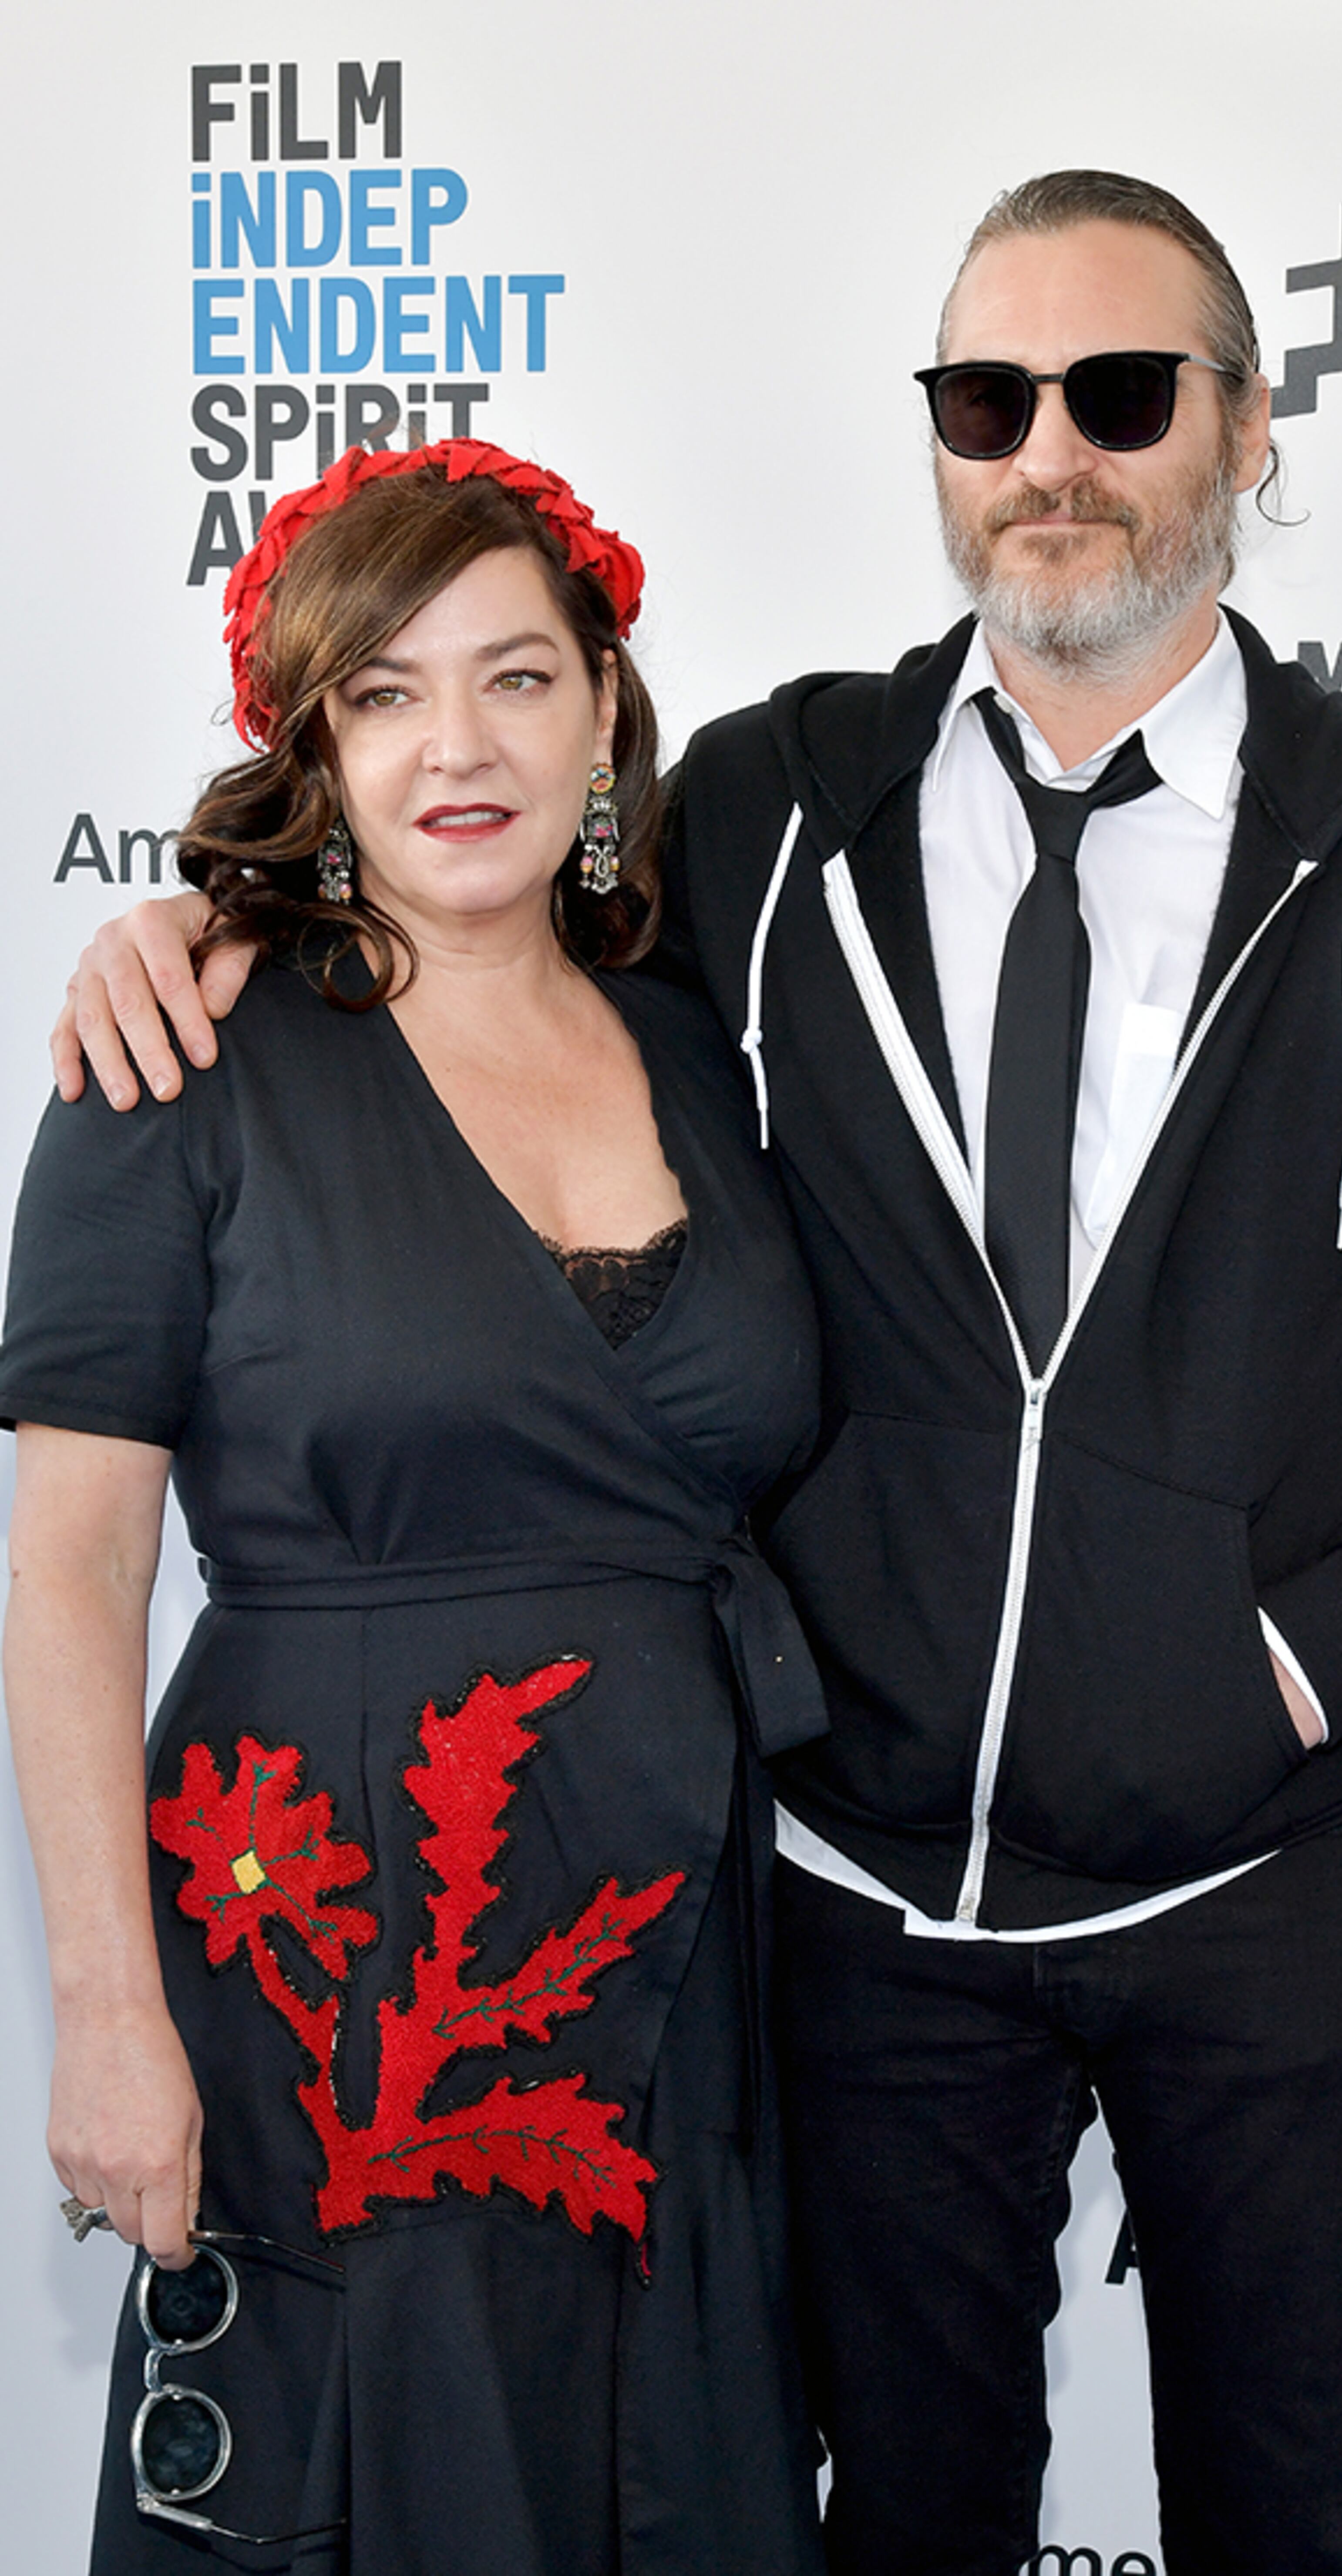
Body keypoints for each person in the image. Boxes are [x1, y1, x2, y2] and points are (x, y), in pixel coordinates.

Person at [49, 174, 1342, 2576]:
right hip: (857, 1906)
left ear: (1246, 437)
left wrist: (1295, 1666)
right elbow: (462, 903)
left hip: (1274, 1888)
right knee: (887, 2525)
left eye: (1122, 394)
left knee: (1286, 2524)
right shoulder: (776, 811)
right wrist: (208, 913)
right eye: (986, 399)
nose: (1052, 452)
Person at [2, 440, 827, 2575]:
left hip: (677, 1960)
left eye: (518, 678)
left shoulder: (704, 1051)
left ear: (607, 717)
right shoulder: (180, 1051)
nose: (458, 745)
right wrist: (106, 2010)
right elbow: (72, 1567)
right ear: (316, 745)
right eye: (386, 692)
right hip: (340, 1963)